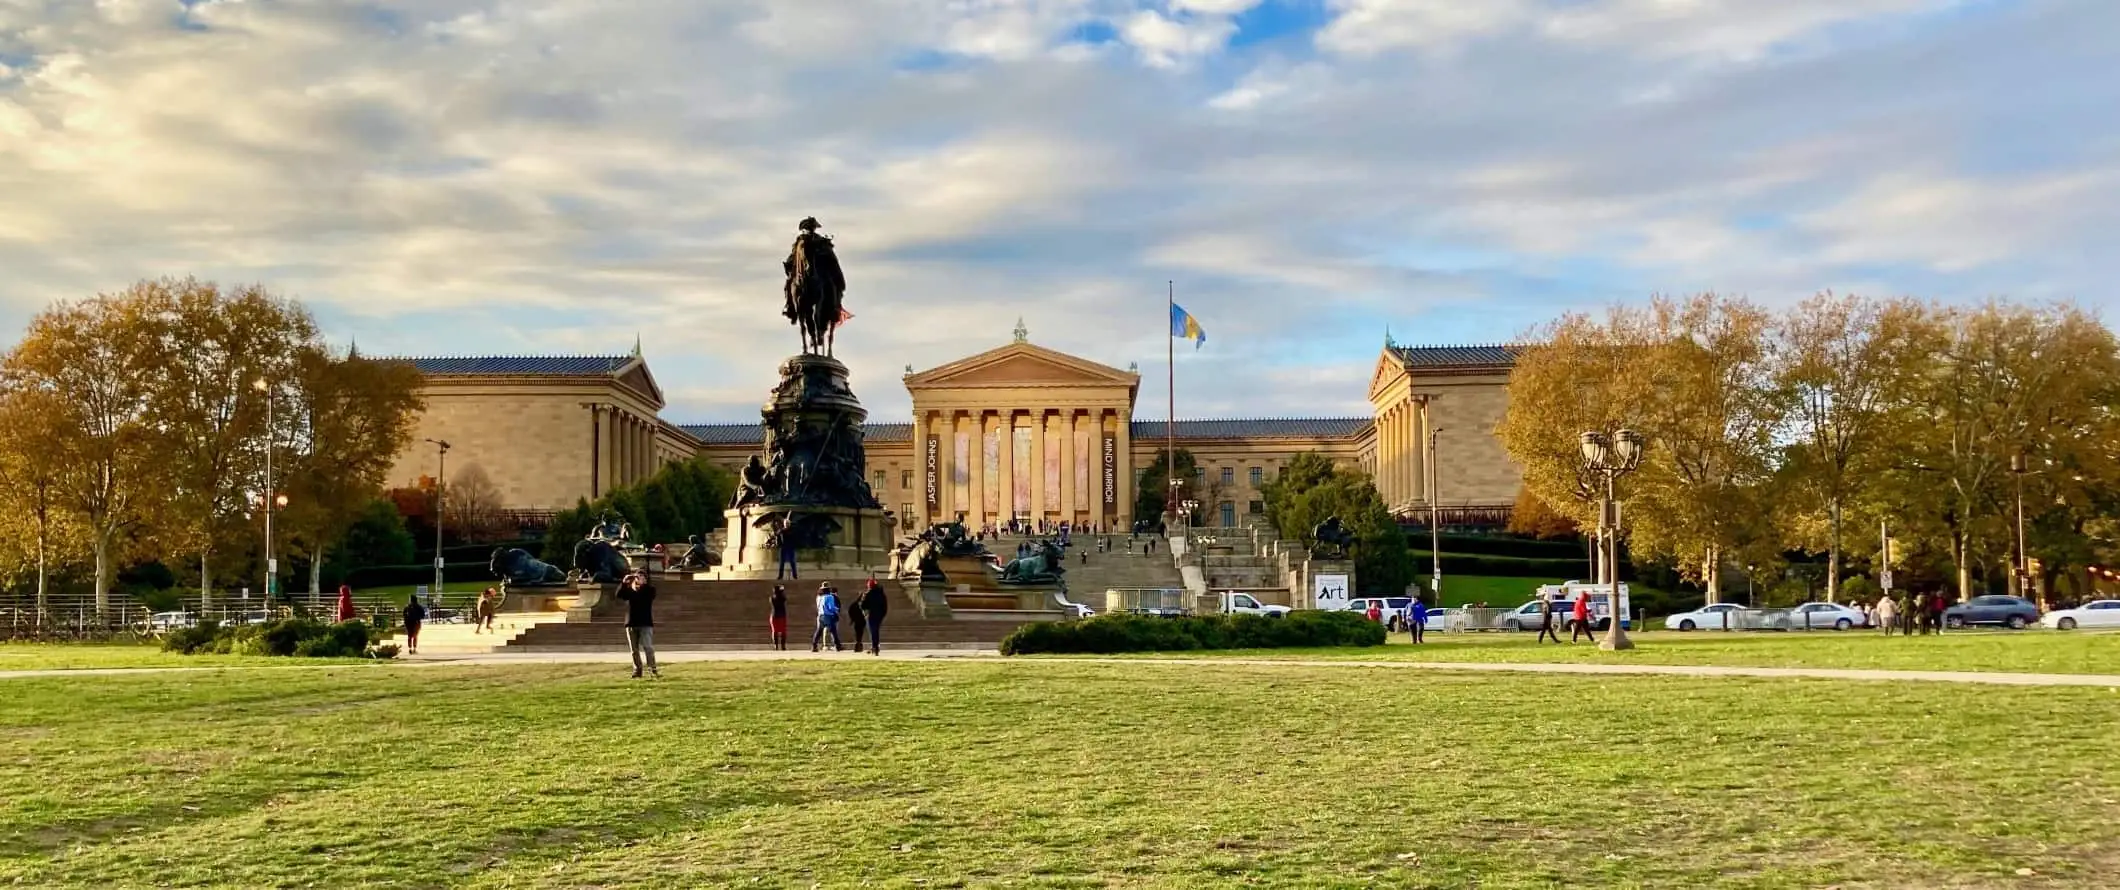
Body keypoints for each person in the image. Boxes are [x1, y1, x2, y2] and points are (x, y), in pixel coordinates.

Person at [617, 572, 658, 678]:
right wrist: (624, 582)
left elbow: (650, 595)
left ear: (645, 579)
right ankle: (637, 670)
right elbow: (619, 595)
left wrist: (642, 585)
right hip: (631, 623)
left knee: (648, 647)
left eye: (641, 577)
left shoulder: (649, 590)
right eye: (636, 577)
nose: (637, 579)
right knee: (634, 650)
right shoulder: (630, 591)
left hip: (645, 623)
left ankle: (652, 668)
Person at [861, 577, 888, 655]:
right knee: (875, 631)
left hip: (871, 615)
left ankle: (874, 647)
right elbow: (885, 606)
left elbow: (862, 605)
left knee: (873, 631)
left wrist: (865, 612)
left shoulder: (867, 594)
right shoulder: (881, 594)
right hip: (879, 615)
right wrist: (883, 614)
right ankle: (875, 647)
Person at [812, 583, 843, 652]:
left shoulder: (819, 597)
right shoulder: (830, 597)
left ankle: (814, 645)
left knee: (819, 631)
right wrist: (836, 609)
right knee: (834, 631)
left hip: (820, 616)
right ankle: (838, 646)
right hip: (828, 616)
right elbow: (831, 607)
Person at [847, 581, 869, 652]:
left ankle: (858, 645)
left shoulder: (858, 604)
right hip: (858, 620)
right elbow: (851, 611)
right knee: (858, 633)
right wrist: (853, 618)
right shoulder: (856, 604)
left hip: (861, 621)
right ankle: (858, 645)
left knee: (859, 633)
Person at [769, 585, 789, 650]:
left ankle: (776, 646)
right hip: (782, 616)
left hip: (774, 615)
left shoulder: (772, 598)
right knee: (783, 631)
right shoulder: (782, 598)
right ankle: (783, 646)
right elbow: (784, 598)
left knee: (775, 631)